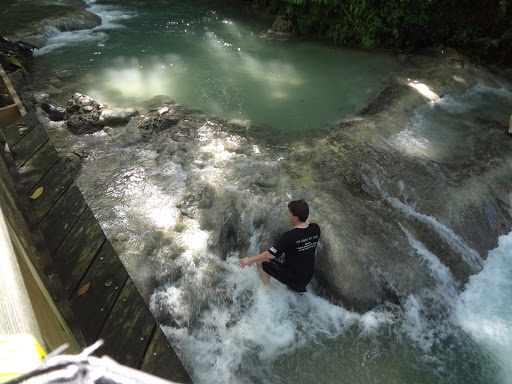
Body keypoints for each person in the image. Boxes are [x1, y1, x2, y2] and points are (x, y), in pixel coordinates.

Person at [239, 200, 321, 293]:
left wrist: (249, 260)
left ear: (296, 218)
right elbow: (305, 222)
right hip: (307, 276)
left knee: (260, 262)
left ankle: (267, 290)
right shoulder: (315, 228)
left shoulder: (289, 236)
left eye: (290, 214)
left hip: (293, 278)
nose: (289, 215)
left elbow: (270, 255)